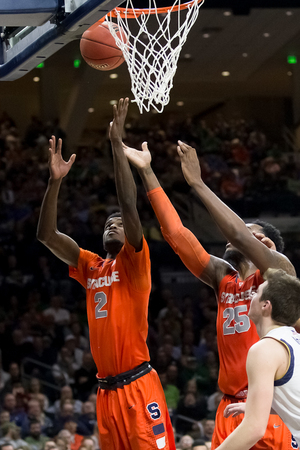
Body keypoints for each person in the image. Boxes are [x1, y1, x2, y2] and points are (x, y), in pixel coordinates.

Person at [122, 138, 297, 449]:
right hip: (228, 406)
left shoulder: (278, 271)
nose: (232, 236)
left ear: (266, 245)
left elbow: (237, 234)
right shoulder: (222, 278)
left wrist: (198, 183)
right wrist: (147, 171)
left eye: (250, 230)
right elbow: (177, 236)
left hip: (268, 406)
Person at [37, 98, 175, 450]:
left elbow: (128, 204)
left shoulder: (134, 260)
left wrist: (116, 144)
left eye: (119, 224)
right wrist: (54, 183)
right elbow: (46, 236)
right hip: (105, 391)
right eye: (107, 224)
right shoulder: (90, 264)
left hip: (139, 385)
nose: (113, 225)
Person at [216, 268, 300, 449]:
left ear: (265, 305)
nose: (251, 296)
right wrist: (262, 407)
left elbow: (254, 429)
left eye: (256, 293)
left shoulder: (265, 349)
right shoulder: (294, 341)